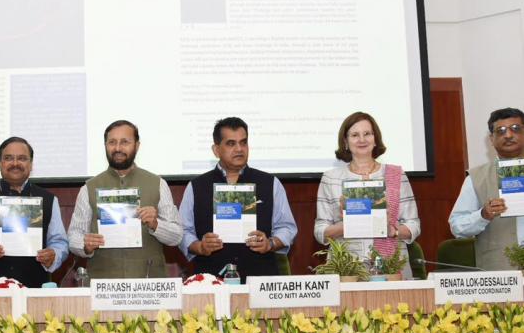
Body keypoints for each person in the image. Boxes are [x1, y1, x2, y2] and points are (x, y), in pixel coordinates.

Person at [179, 117, 297, 282]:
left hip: (260, 279)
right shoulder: (196, 186)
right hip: (211, 280)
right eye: (231, 144)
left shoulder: (270, 183)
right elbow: (183, 231)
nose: (239, 149)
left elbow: (287, 228)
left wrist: (270, 243)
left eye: (243, 142)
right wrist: (200, 246)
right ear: (216, 150)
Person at [68, 120, 182, 278]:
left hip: (149, 282)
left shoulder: (158, 184)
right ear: (105, 145)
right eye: (112, 142)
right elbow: (74, 235)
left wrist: (156, 224)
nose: (117, 148)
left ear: (137, 145)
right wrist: (85, 245)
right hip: (103, 284)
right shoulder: (88, 188)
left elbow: (177, 236)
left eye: (125, 142)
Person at [314, 112, 419, 279]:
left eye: (367, 134)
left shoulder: (396, 174)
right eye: (355, 135)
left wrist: (393, 230)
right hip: (346, 267)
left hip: (391, 266)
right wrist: (348, 225)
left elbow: (413, 225)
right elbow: (320, 231)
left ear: (375, 138)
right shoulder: (331, 178)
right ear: (345, 141)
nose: (362, 139)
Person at [0, 137, 68, 286]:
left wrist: (54, 255)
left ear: (31, 164)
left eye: (22, 158)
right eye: (8, 158)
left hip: (35, 289)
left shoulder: (49, 199)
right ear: (0, 163)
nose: (15, 163)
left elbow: (60, 243)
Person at [449, 107, 524, 270]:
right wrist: (483, 215)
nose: (508, 135)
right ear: (491, 139)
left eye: (516, 129)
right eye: (501, 131)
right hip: (499, 274)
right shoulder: (476, 177)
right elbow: (457, 227)